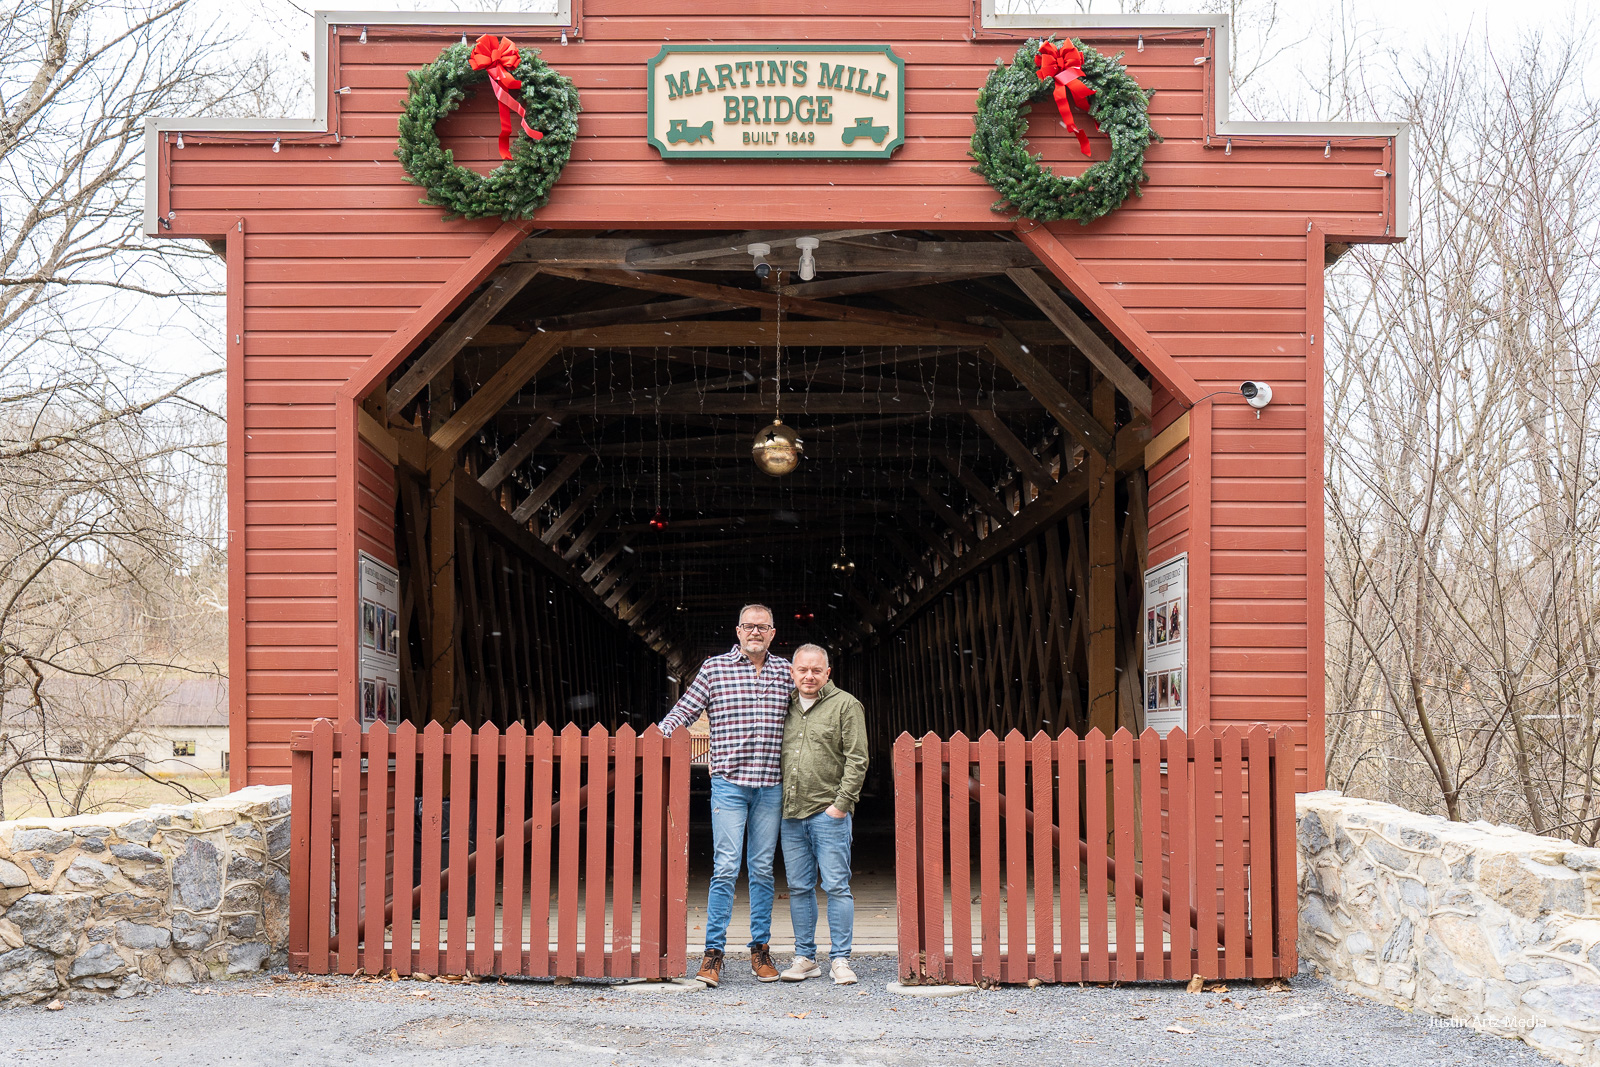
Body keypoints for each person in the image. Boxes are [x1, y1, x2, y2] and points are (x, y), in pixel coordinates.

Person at [658, 604, 792, 987]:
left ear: (772, 632)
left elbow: (815, 708)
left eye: (762, 627)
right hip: (729, 784)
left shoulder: (786, 672)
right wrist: (656, 738)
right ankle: (713, 953)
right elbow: (684, 711)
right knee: (726, 867)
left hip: (771, 785)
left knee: (762, 869)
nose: (755, 632)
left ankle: (760, 951)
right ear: (738, 631)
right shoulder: (715, 669)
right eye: (749, 626)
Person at [777, 644, 867, 986]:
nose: (809, 676)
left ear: (828, 673)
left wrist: (840, 805)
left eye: (816, 670)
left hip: (828, 812)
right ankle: (805, 958)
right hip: (790, 813)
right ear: (792, 672)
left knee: (837, 886)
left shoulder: (846, 705)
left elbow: (857, 758)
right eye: (802, 670)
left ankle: (840, 959)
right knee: (799, 887)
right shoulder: (782, 705)